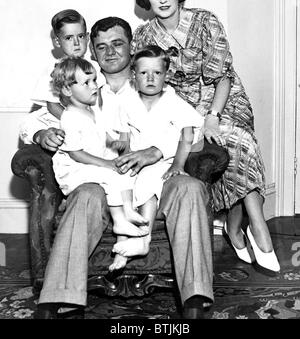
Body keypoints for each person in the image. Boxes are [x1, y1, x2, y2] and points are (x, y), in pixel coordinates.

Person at [20, 16, 228, 319]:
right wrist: (40, 134)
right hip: (102, 180)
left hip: (157, 179)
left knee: (190, 188)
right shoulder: (85, 83)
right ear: (92, 48)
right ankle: (55, 300)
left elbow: (195, 138)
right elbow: (34, 121)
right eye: (101, 46)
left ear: (132, 47)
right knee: (86, 195)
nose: (110, 52)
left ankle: (195, 299)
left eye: (118, 44)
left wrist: (156, 151)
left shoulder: (150, 82)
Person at [130, 0, 280, 273]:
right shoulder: (143, 36)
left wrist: (213, 115)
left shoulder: (204, 21)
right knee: (217, 152)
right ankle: (236, 228)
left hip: (222, 100)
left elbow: (223, 76)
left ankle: (257, 226)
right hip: (181, 112)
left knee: (240, 141)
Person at [111, 45, 205, 271]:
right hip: (135, 160)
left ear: (166, 75)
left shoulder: (174, 102)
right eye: (144, 73)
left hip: (162, 162)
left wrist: (177, 164)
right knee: (119, 187)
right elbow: (124, 139)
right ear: (134, 76)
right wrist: (123, 160)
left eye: (157, 73)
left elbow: (188, 135)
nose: (150, 78)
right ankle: (122, 245)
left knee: (148, 182)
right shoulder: (127, 103)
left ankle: (145, 237)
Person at [50, 56, 148, 239]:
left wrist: (114, 142)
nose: (94, 86)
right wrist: (106, 163)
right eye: (86, 83)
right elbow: (76, 154)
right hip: (74, 169)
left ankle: (128, 209)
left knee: (124, 171)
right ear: (66, 89)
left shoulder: (91, 110)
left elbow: (102, 133)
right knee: (111, 173)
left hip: (89, 161)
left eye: (94, 80)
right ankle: (120, 221)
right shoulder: (70, 117)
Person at [20, 9, 105, 145]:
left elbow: (99, 98)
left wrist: (95, 120)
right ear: (58, 42)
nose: (76, 43)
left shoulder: (93, 66)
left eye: (81, 36)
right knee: (31, 124)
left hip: (89, 115)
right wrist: (75, 122)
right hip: (61, 116)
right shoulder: (54, 69)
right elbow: (52, 106)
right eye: (69, 38)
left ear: (88, 37)